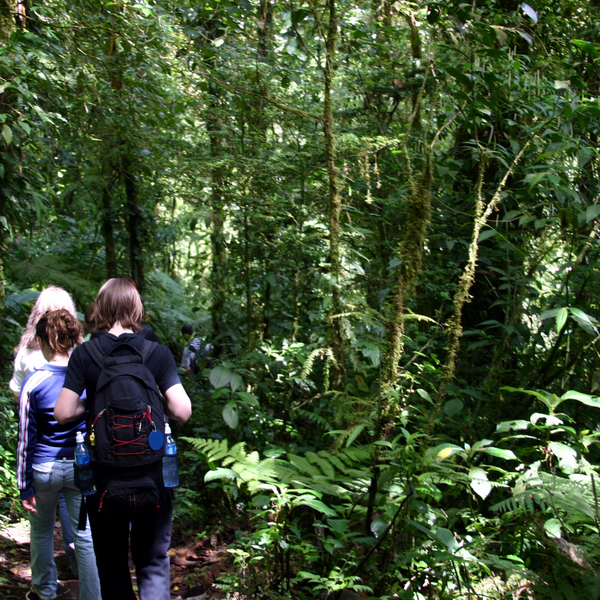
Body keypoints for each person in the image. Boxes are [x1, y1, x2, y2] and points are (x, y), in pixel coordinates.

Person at [54, 278, 192, 600]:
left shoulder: (85, 355)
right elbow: (182, 411)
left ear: (100, 308)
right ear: (136, 307)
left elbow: (62, 412)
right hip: (153, 475)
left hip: (103, 478)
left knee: (112, 563)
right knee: (153, 561)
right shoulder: (156, 353)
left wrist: (97, 399)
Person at [16, 309, 101, 600]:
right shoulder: (87, 379)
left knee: (40, 532)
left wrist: (23, 483)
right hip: (81, 467)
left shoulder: (34, 382)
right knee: (85, 536)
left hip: (44, 468)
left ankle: (44, 592)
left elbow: (26, 438)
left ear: (45, 341)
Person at [10, 286, 80, 577]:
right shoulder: (81, 356)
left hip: (41, 455)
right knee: (79, 525)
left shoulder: (27, 354)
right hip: (75, 455)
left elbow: (18, 395)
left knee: (41, 526)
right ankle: (83, 576)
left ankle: (44, 588)